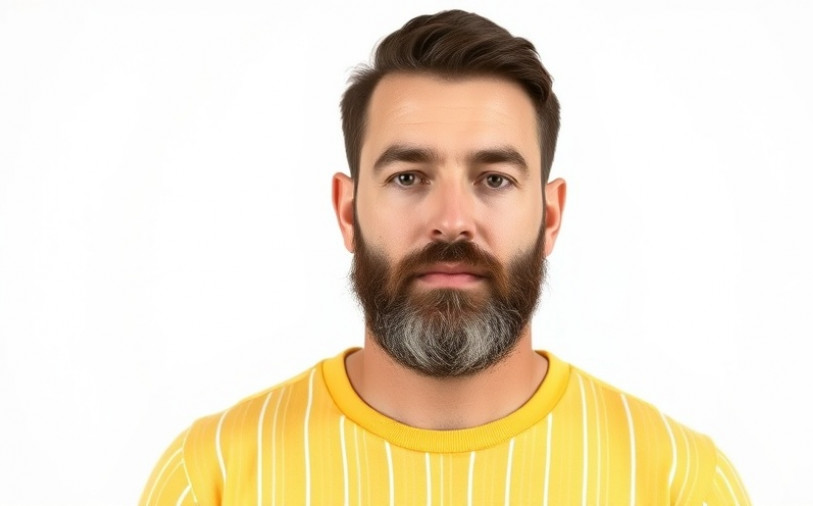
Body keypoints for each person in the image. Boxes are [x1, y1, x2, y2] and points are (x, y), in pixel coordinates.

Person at [140, 10, 750, 505]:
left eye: (494, 179)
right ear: (348, 211)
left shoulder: (680, 484)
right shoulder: (213, 478)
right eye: (408, 177)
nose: (452, 220)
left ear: (551, 216)